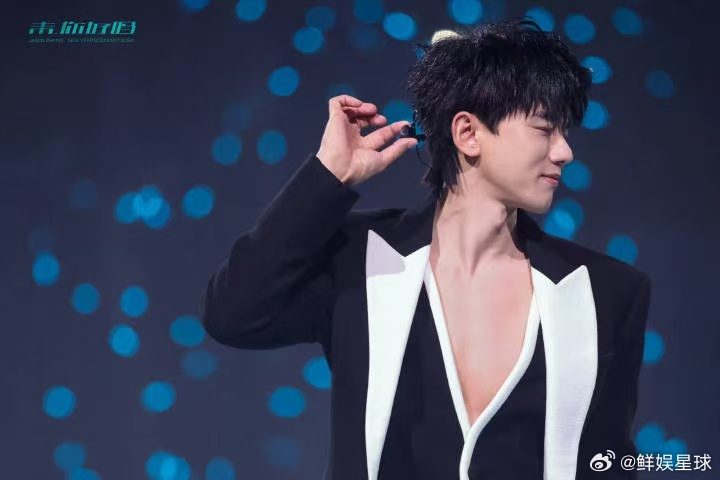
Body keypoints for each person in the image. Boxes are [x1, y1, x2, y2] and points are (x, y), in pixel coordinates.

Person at [201, 18, 652, 480]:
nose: (564, 152)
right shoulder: (360, 259)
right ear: (468, 133)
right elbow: (233, 314)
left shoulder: (607, 292)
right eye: (544, 129)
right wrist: (327, 175)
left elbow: (609, 464)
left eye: (565, 132)